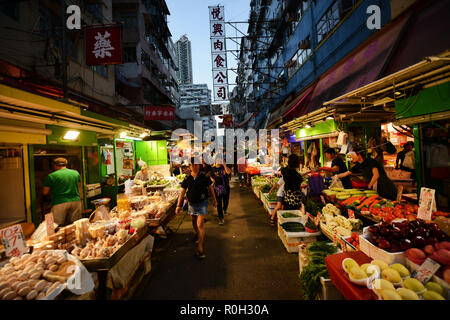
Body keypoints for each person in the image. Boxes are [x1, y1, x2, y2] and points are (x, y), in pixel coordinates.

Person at [176, 158, 217, 259]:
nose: (194, 167)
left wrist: (215, 200)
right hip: (191, 204)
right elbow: (182, 192)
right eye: (192, 165)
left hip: (203, 203)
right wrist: (178, 205)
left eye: (196, 165)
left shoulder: (204, 176)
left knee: (200, 225)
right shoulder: (187, 178)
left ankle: (200, 249)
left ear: (199, 166)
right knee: (194, 223)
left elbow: (210, 188)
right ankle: (198, 235)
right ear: (189, 166)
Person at [42, 158, 82, 226]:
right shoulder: (75, 173)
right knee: (75, 224)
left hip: (59, 202)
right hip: (75, 201)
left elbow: (45, 192)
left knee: (56, 225)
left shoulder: (51, 176)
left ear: (55, 165)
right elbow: (79, 186)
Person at [210, 154, 232, 225]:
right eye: (218, 159)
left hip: (226, 188)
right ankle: (221, 218)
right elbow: (209, 176)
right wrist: (211, 179)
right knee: (219, 204)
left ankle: (225, 210)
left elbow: (228, 172)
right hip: (217, 189)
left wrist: (224, 164)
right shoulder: (212, 169)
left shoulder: (224, 168)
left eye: (221, 159)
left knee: (226, 201)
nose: (219, 161)